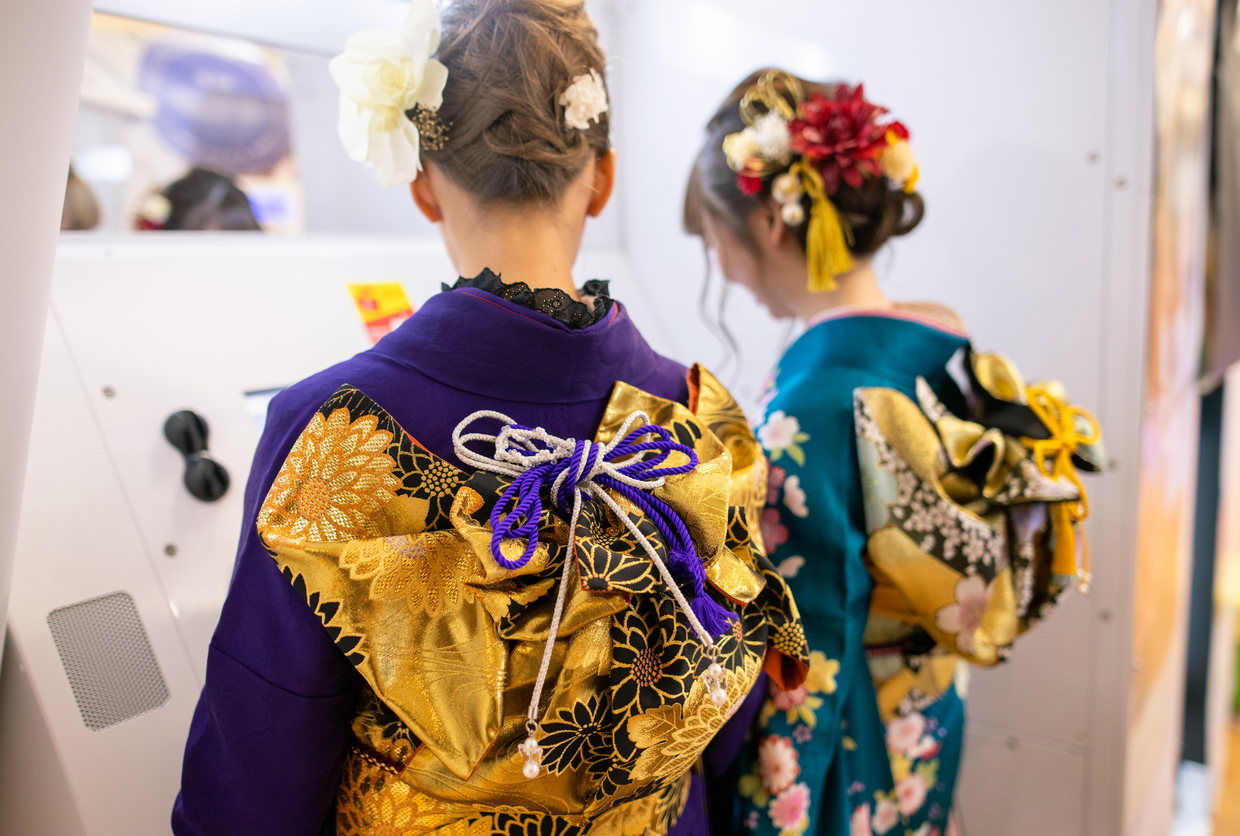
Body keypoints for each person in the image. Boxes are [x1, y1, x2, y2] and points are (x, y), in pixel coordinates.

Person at [172, 4, 807, 835]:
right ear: (602, 179)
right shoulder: (697, 417)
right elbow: (728, 694)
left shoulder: (330, 431)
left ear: (422, 185)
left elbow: (262, 758)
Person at [685, 70, 1102, 836]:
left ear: (770, 224)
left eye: (714, 239)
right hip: (924, 707)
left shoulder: (813, 406)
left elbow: (806, 648)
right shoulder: (937, 344)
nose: (725, 269)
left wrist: (765, 811)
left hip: (851, 742)